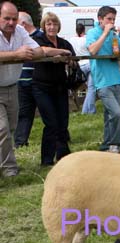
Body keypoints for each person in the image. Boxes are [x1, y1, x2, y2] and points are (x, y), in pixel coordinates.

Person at [0, 1, 43, 177]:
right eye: (7, 18)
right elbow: (20, 54)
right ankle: (10, 169)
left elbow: (38, 50)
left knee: (10, 128)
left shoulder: (20, 31)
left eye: (14, 19)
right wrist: (17, 54)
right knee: (1, 129)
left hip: (12, 86)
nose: (11, 22)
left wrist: (29, 52)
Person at [86, 6, 120, 153]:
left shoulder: (114, 34)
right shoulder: (92, 33)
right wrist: (106, 32)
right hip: (102, 80)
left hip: (116, 79)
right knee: (116, 113)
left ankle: (106, 145)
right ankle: (115, 144)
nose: (111, 22)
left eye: (113, 19)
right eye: (109, 19)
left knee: (110, 115)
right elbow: (92, 50)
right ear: (100, 19)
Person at [32, 12, 76, 166]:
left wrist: (68, 61)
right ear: (44, 26)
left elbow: (74, 60)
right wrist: (61, 53)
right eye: (48, 24)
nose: (52, 27)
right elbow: (43, 50)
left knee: (63, 123)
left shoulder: (64, 42)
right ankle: (46, 160)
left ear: (59, 26)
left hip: (60, 87)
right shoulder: (38, 40)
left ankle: (63, 156)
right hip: (42, 87)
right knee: (51, 123)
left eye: (54, 24)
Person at [14, 11, 42, 148]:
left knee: (49, 112)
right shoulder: (18, 38)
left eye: (16, 22)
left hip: (39, 81)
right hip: (22, 81)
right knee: (24, 113)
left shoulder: (41, 37)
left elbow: (43, 51)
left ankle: (61, 137)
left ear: (23, 24)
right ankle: (20, 141)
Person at [69, 23, 96, 115]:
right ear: (84, 30)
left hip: (79, 65)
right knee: (91, 88)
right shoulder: (86, 39)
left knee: (81, 88)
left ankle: (84, 109)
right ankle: (89, 110)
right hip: (89, 63)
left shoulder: (71, 40)